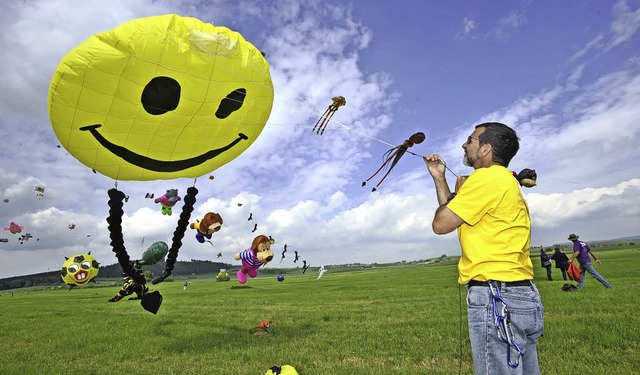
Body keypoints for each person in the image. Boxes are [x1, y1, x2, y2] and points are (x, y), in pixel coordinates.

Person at [424, 122, 543, 374]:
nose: (464, 145)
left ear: (486, 149)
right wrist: (440, 178)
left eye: (470, 140)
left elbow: (441, 223)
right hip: (520, 294)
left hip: (496, 297)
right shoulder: (503, 180)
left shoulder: (486, 178)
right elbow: (456, 214)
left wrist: (458, 194)